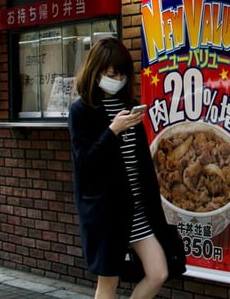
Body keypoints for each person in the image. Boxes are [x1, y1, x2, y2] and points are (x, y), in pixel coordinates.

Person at [67, 38, 185, 299]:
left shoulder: (129, 108)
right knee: (108, 284)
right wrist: (112, 131)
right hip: (107, 212)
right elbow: (85, 164)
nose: (117, 79)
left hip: (138, 209)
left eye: (122, 74)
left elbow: (139, 162)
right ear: (95, 72)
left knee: (158, 272)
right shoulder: (81, 111)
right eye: (111, 74)